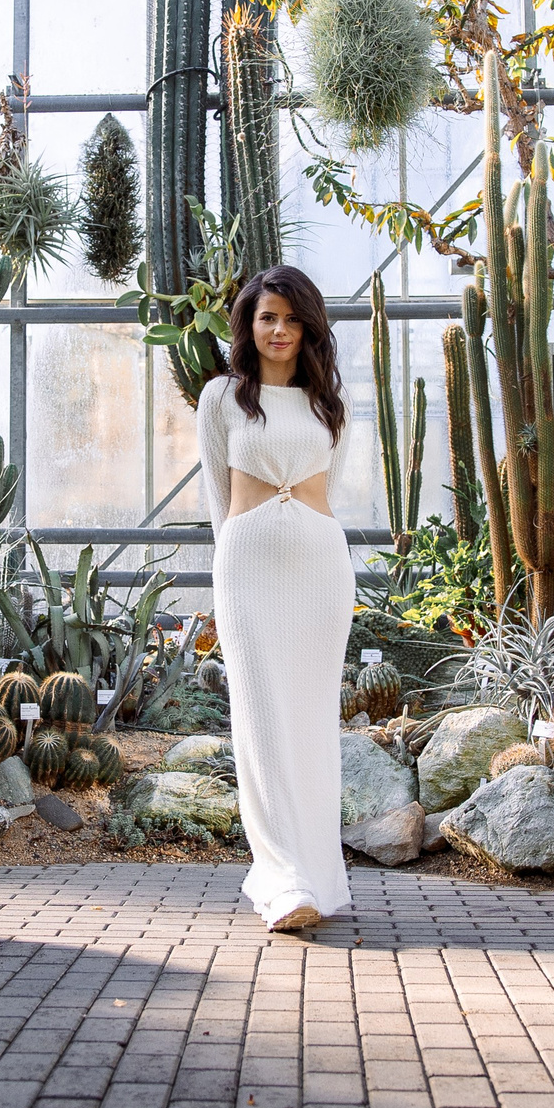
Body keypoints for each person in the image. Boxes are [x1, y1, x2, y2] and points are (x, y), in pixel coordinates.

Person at [196, 265, 354, 932]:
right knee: (259, 720)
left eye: (291, 318)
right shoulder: (221, 397)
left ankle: (317, 873)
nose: (280, 329)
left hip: (320, 570)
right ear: (248, 325)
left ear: (308, 326)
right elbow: (214, 493)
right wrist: (235, 553)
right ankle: (281, 876)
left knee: (312, 721)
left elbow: (330, 493)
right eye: (268, 317)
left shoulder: (329, 406)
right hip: (247, 569)